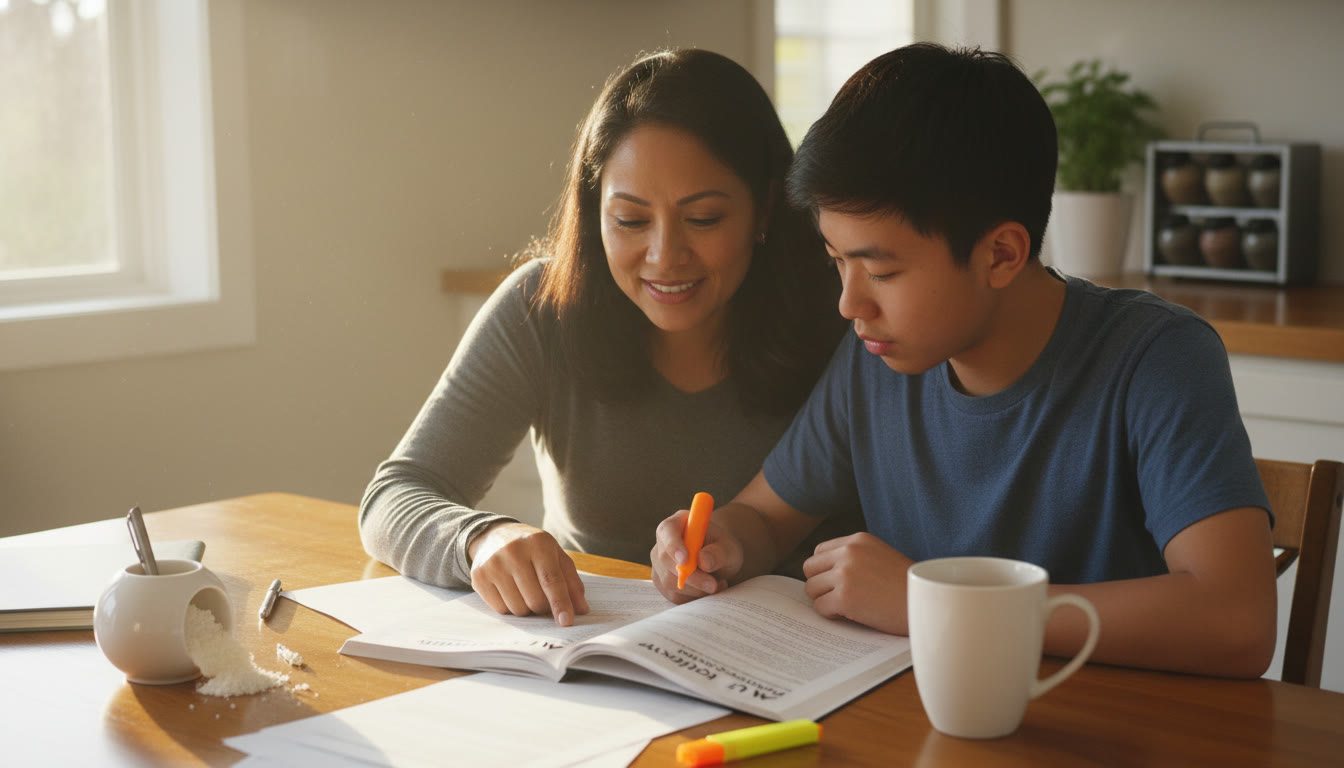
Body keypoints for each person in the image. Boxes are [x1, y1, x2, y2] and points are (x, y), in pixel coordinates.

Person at [650, 43, 1278, 679]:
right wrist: (718, 541)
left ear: (1001, 254)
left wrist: (941, 604)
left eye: (881, 269)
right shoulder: (878, 357)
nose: (849, 302)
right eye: (837, 261)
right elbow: (765, 517)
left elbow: (1236, 621)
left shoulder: (1156, 357)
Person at [359, 48, 856, 626]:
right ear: (595, 211)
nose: (664, 257)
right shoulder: (542, 309)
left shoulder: (848, 313)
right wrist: (481, 539)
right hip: (589, 653)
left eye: (703, 219)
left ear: (766, 207)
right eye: (630, 220)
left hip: (793, 658)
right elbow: (395, 496)